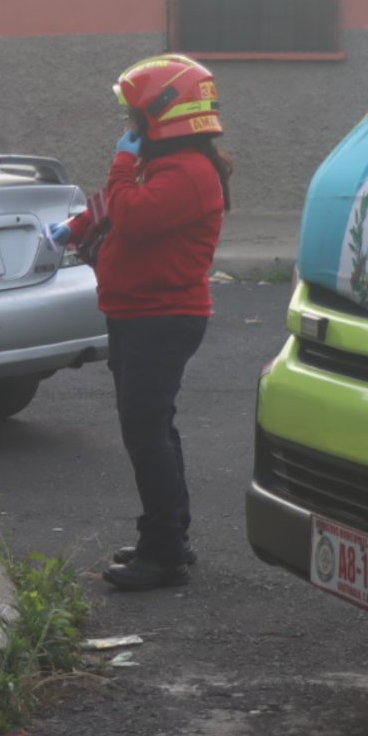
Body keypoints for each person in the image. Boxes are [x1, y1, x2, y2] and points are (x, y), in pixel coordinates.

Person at [50, 54, 231, 592]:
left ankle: (164, 553)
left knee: (146, 431)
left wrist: (121, 164)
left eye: (134, 117)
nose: (127, 128)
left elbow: (134, 213)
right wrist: (75, 225)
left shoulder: (191, 173)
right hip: (134, 313)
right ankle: (169, 534)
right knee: (152, 429)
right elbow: (112, 207)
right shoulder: (163, 164)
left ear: (163, 116)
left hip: (163, 318)